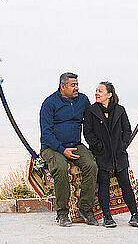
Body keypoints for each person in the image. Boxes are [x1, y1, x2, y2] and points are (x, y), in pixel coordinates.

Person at [40, 72, 99, 227]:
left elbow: (94, 119)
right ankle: (62, 213)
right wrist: (61, 149)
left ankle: (85, 209)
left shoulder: (83, 100)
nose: (76, 88)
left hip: (75, 145)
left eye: (77, 84)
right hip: (52, 147)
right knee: (60, 168)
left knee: (91, 166)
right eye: (73, 85)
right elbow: (46, 133)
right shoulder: (49, 103)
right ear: (63, 86)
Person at [83, 81, 138, 228]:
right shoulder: (91, 110)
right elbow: (87, 132)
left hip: (119, 154)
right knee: (104, 185)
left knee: (125, 184)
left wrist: (122, 145)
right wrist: (98, 147)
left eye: (100, 91)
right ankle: (107, 217)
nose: (97, 93)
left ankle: (135, 215)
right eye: (96, 90)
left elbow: (127, 130)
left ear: (109, 94)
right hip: (101, 155)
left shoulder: (120, 110)